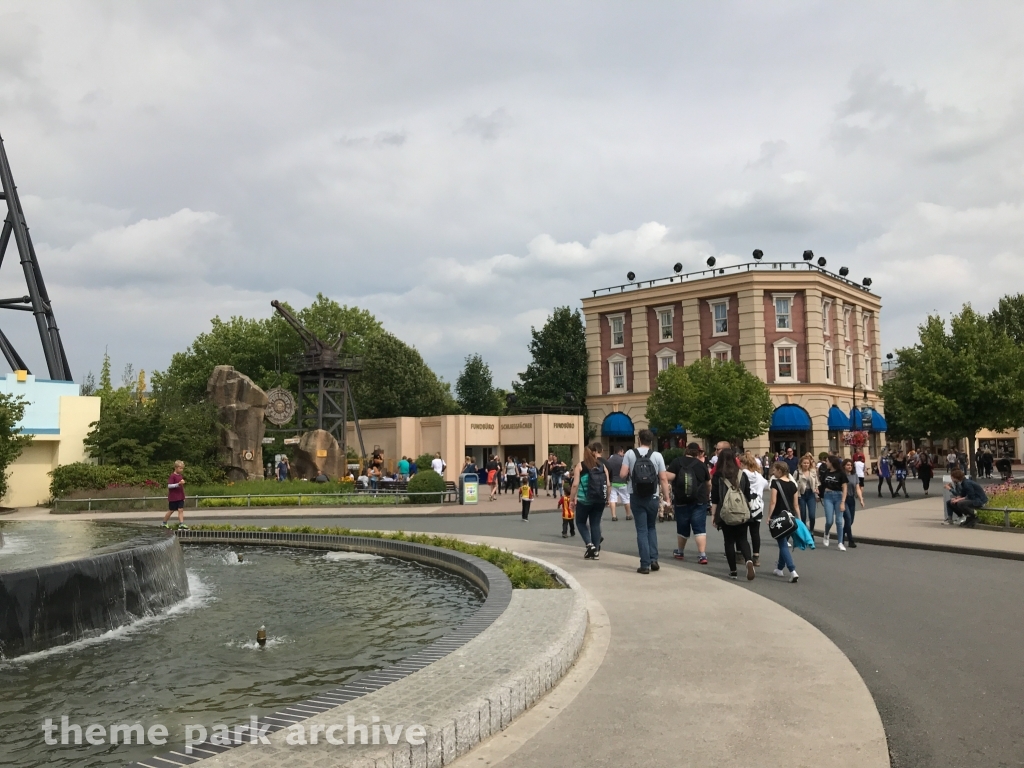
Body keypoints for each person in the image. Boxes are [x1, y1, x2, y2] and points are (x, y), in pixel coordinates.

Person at [620, 429, 670, 574]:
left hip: (636, 495)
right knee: (651, 527)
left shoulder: (630, 454)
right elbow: (663, 478)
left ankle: (644, 564)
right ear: (651, 441)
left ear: (639, 439)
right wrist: (667, 498)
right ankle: (654, 559)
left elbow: (622, 474)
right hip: (653, 495)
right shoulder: (657, 455)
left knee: (641, 530)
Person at [711, 448, 755, 580]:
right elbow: (747, 494)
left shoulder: (718, 476)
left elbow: (715, 498)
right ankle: (748, 560)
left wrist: (713, 515)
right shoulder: (741, 474)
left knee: (729, 541)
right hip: (741, 511)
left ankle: (733, 570)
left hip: (725, 512)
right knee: (743, 539)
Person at [666, 442, 711, 565]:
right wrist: (707, 494)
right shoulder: (701, 465)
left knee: (682, 527)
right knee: (699, 528)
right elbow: (708, 483)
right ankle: (702, 555)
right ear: (698, 452)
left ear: (686, 450)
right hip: (699, 500)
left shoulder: (677, 462)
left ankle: (680, 551)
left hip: (681, 500)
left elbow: (667, 477)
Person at [570, 442, 611, 560]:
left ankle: (589, 544)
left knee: (580, 522)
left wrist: (572, 499)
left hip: (584, 500)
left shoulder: (580, 466)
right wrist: (607, 498)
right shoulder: (602, 466)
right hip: (599, 500)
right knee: (595, 524)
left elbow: (575, 484)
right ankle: (596, 552)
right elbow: (608, 484)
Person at [768, 460, 800, 582]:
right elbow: (796, 505)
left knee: (782, 544)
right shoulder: (793, 485)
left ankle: (792, 570)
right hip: (790, 517)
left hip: (779, 516)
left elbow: (773, 502)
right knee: (784, 542)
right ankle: (779, 568)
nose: (773, 472)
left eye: (774, 470)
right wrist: (799, 518)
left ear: (780, 471)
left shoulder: (775, 483)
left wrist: (769, 516)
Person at [739, 451, 767, 567]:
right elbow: (766, 485)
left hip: (745, 505)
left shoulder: (742, 474)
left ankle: (742, 555)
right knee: (755, 532)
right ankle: (756, 557)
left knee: (742, 533)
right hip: (758, 506)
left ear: (743, 463)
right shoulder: (759, 476)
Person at [820, 455, 848, 550]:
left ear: (832, 462)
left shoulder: (841, 473)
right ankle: (826, 533)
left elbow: (845, 488)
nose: (826, 463)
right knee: (829, 521)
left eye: (827, 461)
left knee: (839, 521)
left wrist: (843, 502)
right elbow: (822, 485)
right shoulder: (826, 472)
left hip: (839, 496)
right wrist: (819, 494)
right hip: (828, 496)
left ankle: (840, 542)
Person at [842, 457, 865, 547]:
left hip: (851, 499)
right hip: (843, 499)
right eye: (848, 465)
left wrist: (861, 499)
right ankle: (851, 541)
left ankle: (841, 535)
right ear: (844, 466)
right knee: (848, 519)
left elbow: (857, 488)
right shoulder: (841, 475)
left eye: (851, 465)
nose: (850, 466)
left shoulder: (854, 475)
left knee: (851, 521)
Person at [605, 446, 631, 522]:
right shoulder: (623, 460)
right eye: (623, 452)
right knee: (626, 499)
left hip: (613, 482)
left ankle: (614, 516)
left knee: (612, 499)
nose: (623, 454)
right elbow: (627, 470)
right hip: (623, 482)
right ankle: (628, 515)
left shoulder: (609, 460)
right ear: (620, 452)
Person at [794, 453, 819, 532]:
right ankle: (805, 532)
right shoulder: (797, 472)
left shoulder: (813, 472)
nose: (806, 464)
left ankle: (811, 531)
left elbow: (817, 483)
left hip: (811, 494)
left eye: (807, 463)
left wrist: (817, 490)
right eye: (804, 463)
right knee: (803, 515)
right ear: (801, 463)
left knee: (812, 515)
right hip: (801, 495)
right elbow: (793, 484)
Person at [161, 460, 188, 529]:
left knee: (180, 510)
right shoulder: (172, 476)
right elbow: (169, 486)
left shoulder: (180, 476)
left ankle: (181, 524)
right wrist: (178, 484)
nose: (181, 470)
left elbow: (181, 488)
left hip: (180, 497)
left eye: (182, 468)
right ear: (176, 468)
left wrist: (183, 496)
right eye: (180, 468)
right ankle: (164, 523)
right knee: (171, 510)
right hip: (173, 497)